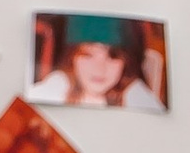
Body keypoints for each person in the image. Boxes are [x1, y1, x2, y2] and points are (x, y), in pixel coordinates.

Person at [31, 15, 165, 114]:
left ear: (125, 63)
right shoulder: (60, 84)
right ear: (73, 59)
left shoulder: (132, 93)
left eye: (113, 57)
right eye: (88, 55)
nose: (99, 68)